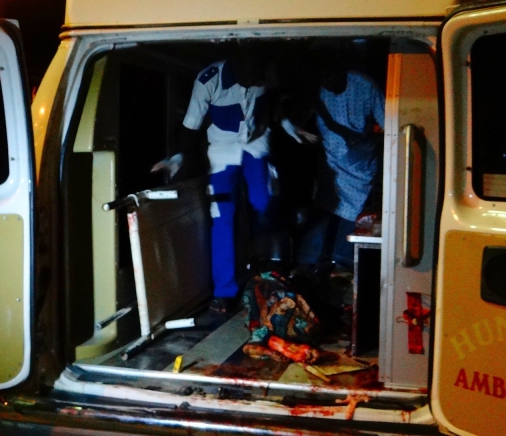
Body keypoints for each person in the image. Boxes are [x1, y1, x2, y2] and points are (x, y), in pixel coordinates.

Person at [153, 47, 272, 314]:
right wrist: (179, 156)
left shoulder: (262, 75)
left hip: (255, 146)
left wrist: (267, 124)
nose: (255, 81)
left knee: (263, 205)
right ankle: (224, 291)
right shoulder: (208, 80)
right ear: (238, 64)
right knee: (222, 218)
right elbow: (190, 128)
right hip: (222, 152)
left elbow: (267, 104)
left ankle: (259, 263)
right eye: (251, 76)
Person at [288, 55, 386, 273]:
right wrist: (301, 132)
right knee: (327, 209)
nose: (328, 83)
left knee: (352, 213)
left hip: (360, 162)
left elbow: (388, 123)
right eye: (323, 79)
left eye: (331, 77)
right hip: (330, 160)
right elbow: (293, 120)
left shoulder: (364, 85)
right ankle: (309, 263)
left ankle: (340, 265)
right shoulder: (317, 88)